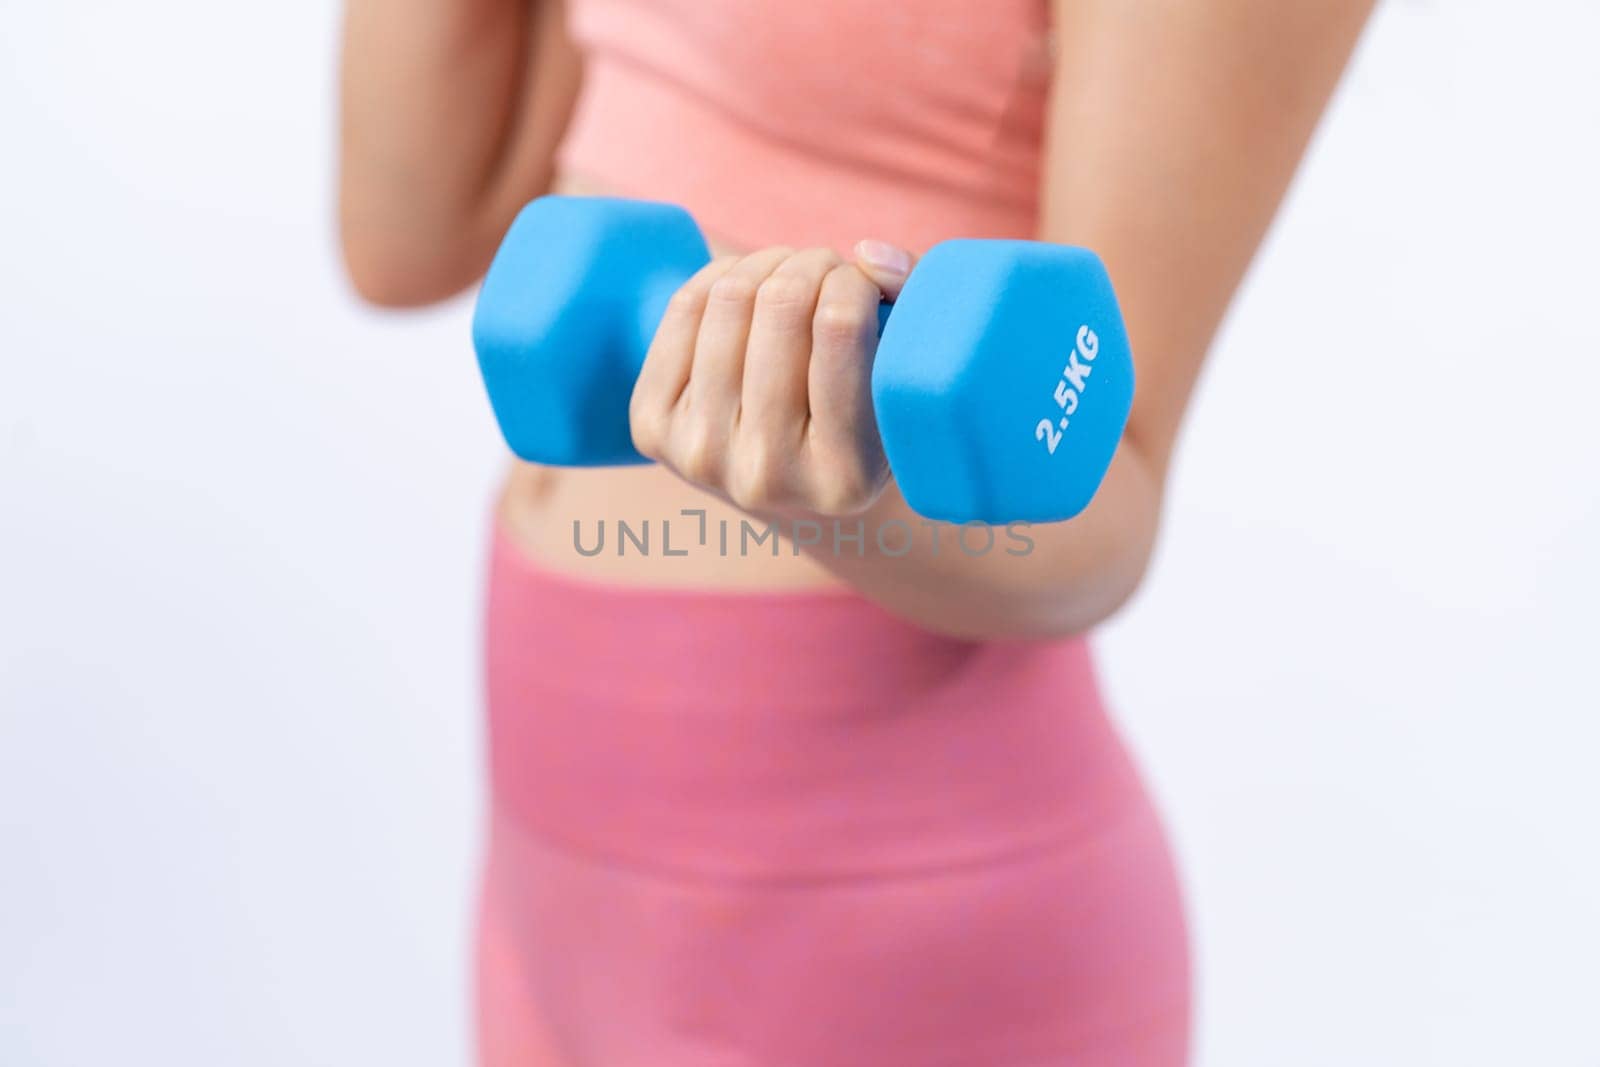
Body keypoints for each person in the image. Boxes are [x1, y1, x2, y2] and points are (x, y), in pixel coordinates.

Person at [338, 1, 1372, 1063]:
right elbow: (407, 238)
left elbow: (1110, 498)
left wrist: (828, 487)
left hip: (885, 894)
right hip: (551, 867)